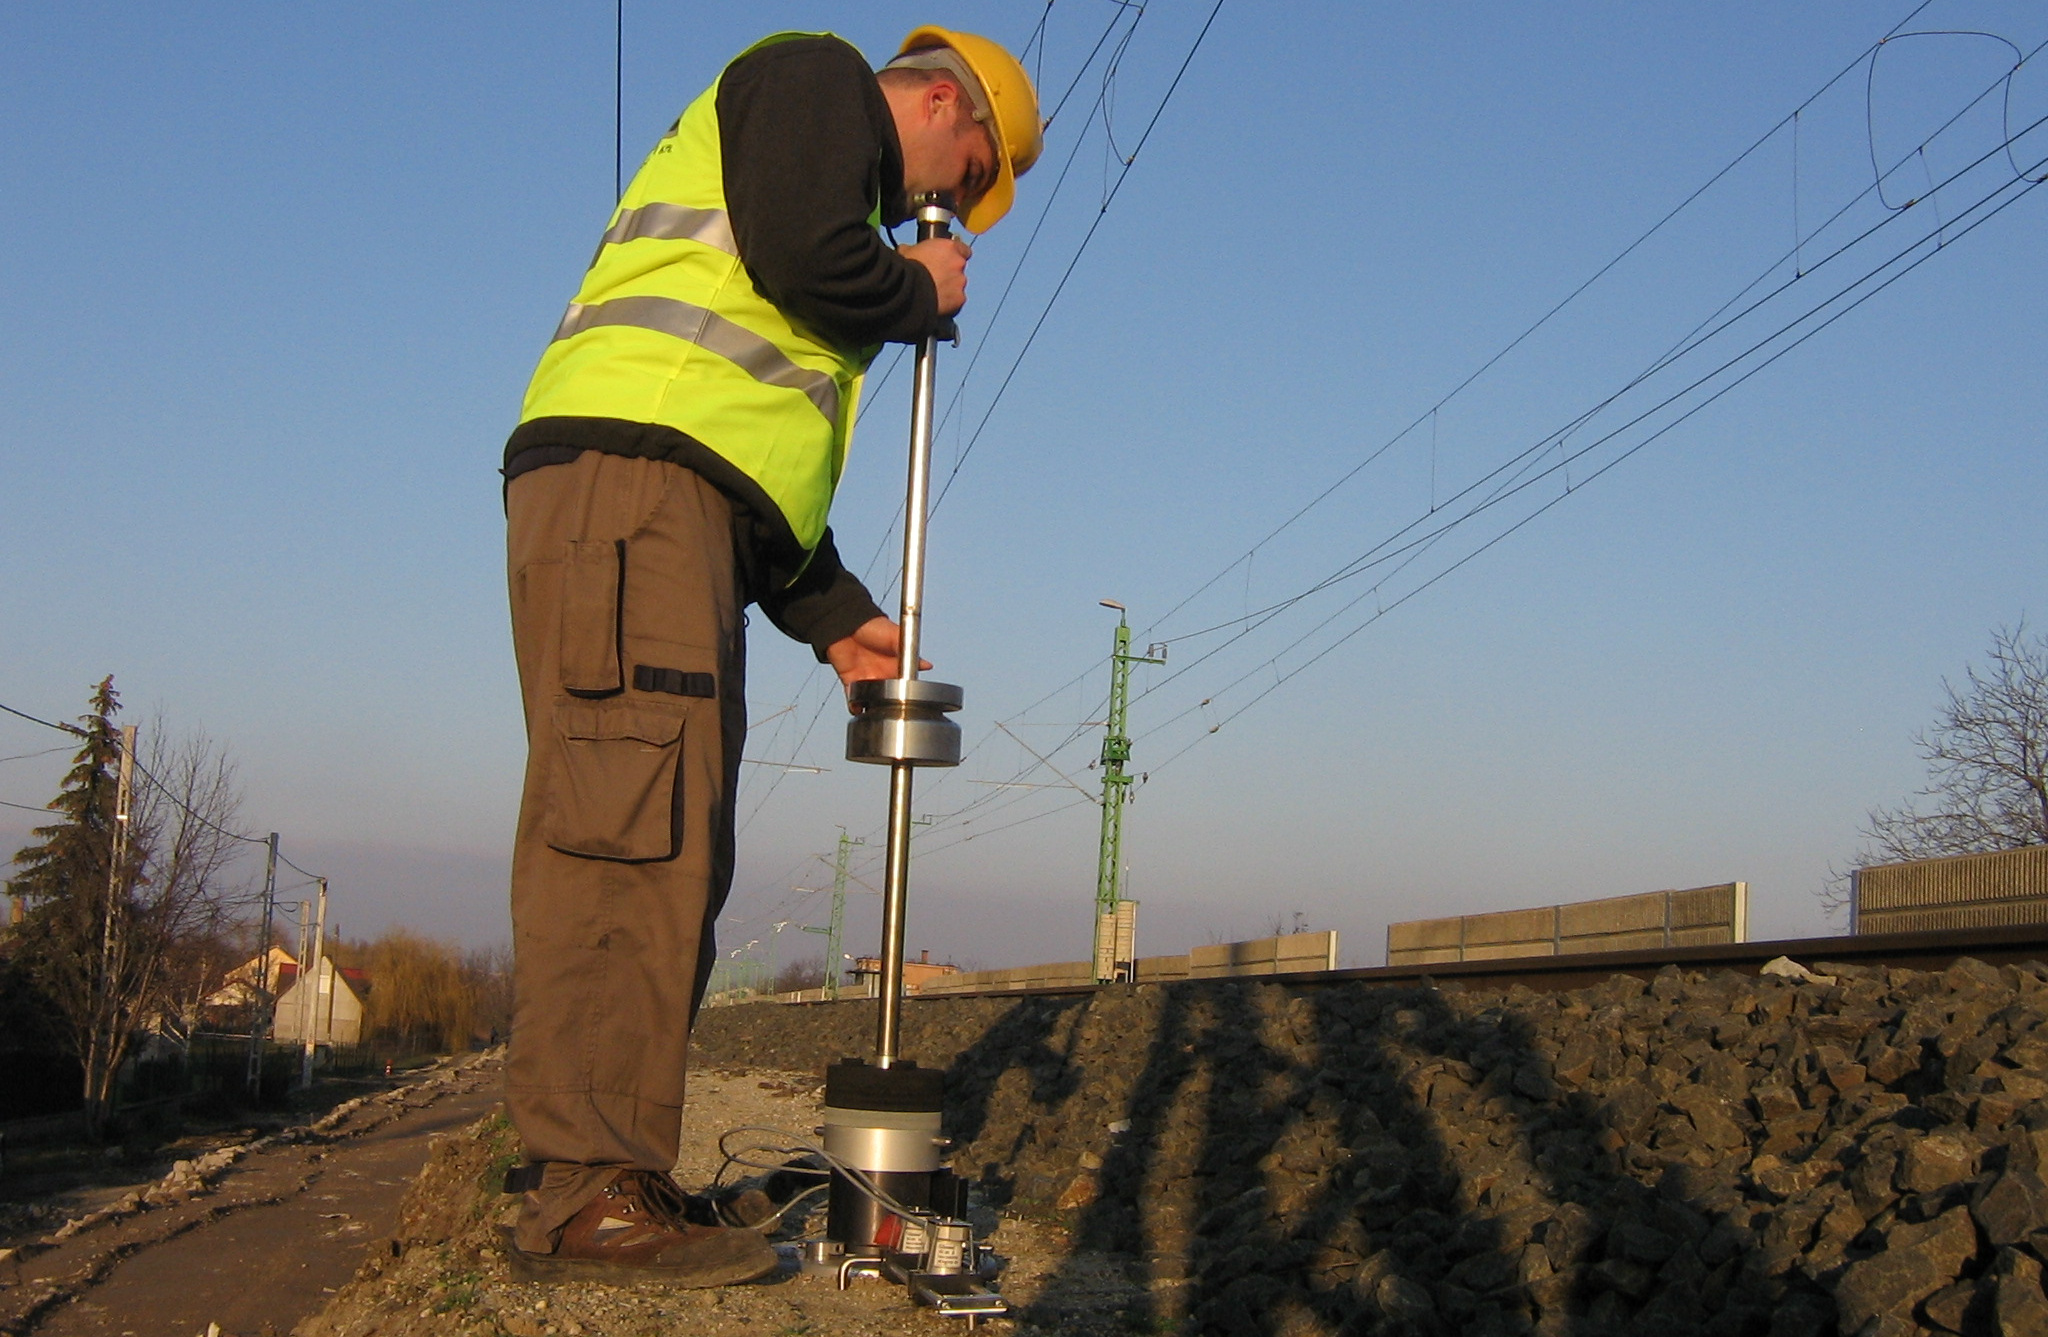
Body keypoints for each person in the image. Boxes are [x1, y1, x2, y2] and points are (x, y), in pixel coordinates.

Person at [497, 28, 1041, 1287]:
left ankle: (610, 1168)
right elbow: (810, 260)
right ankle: (581, 1194)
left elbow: (750, 446)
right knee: (626, 833)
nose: (940, 207)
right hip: (633, 495)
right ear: (943, 102)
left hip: (660, 509)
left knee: (667, 836)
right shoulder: (814, 81)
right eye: (962, 177)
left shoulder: (811, 173)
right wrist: (920, 290)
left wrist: (832, 611)